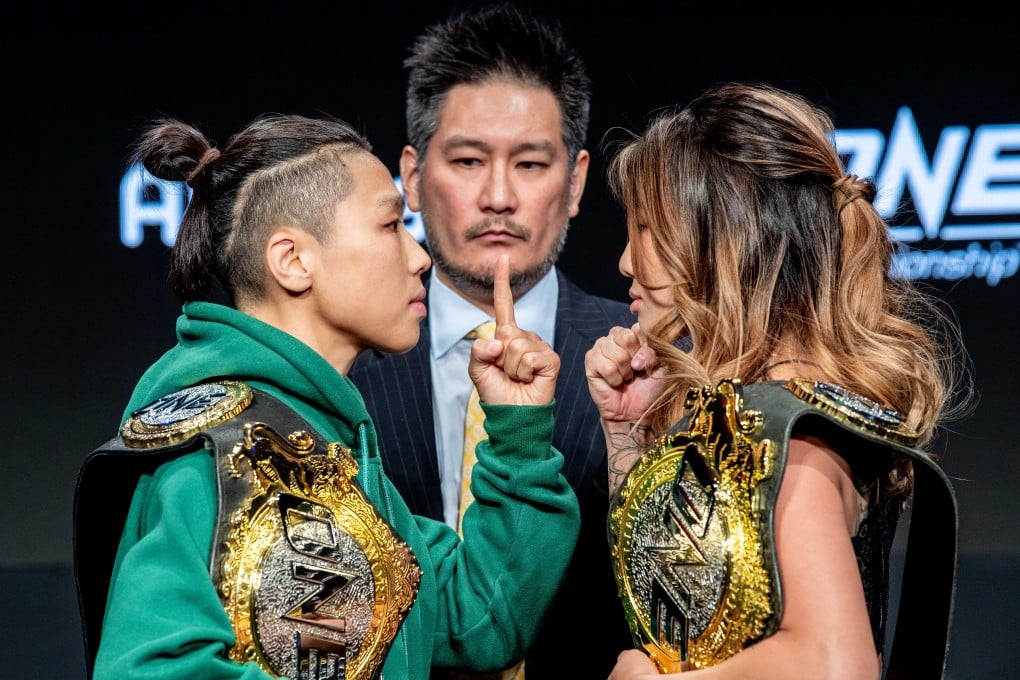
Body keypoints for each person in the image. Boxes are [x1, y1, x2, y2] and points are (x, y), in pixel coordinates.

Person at [72, 113, 582, 680]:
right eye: (391, 226)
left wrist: (518, 430)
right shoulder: (213, 459)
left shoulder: (330, 449)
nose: (418, 257)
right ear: (293, 261)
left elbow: (478, 620)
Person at [584, 82, 970, 679]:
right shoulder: (761, 412)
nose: (627, 261)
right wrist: (626, 433)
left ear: (723, 244)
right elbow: (678, 609)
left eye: (647, 230)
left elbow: (837, 663)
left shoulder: (790, 429)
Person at [348, 4, 634, 678]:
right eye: (469, 160)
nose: (499, 196)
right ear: (412, 177)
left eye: (531, 164)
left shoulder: (647, 358)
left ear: (576, 182)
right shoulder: (343, 370)